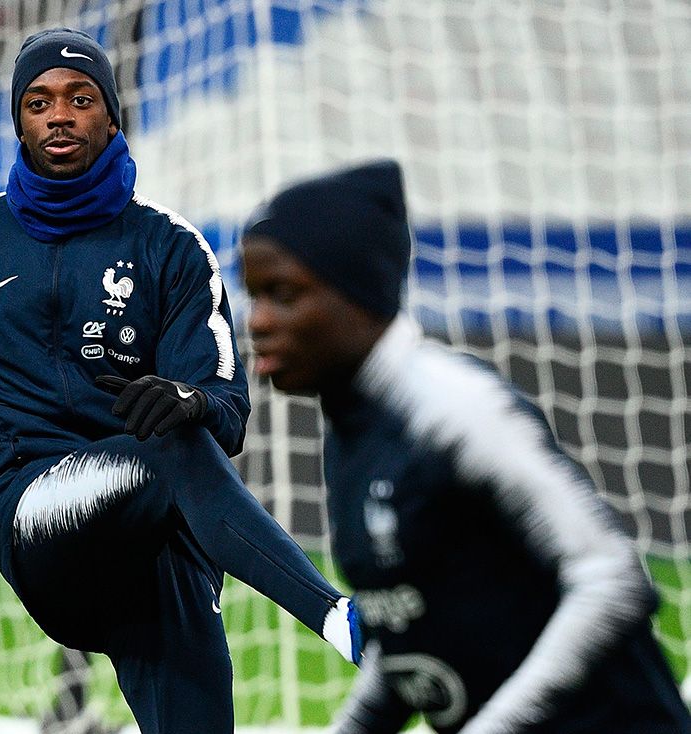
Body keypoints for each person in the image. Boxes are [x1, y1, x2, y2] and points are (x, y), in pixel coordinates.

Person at [0, 27, 360, 734]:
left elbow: (225, 408)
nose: (59, 116)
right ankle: (340, 619)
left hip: (153, 545)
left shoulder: (170, 246)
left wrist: (191, 397)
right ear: (19, 119)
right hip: (39, 519)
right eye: (39, 101)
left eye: (80, 98)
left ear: (112, 115)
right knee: (168, 452)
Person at [241, 159, 691, 733]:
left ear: (357, 293)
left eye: (282, 293)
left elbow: (610, 578)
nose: (257, 320)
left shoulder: (455, 408)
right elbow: (408, 638)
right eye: (254, 295)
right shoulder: (353, 427)